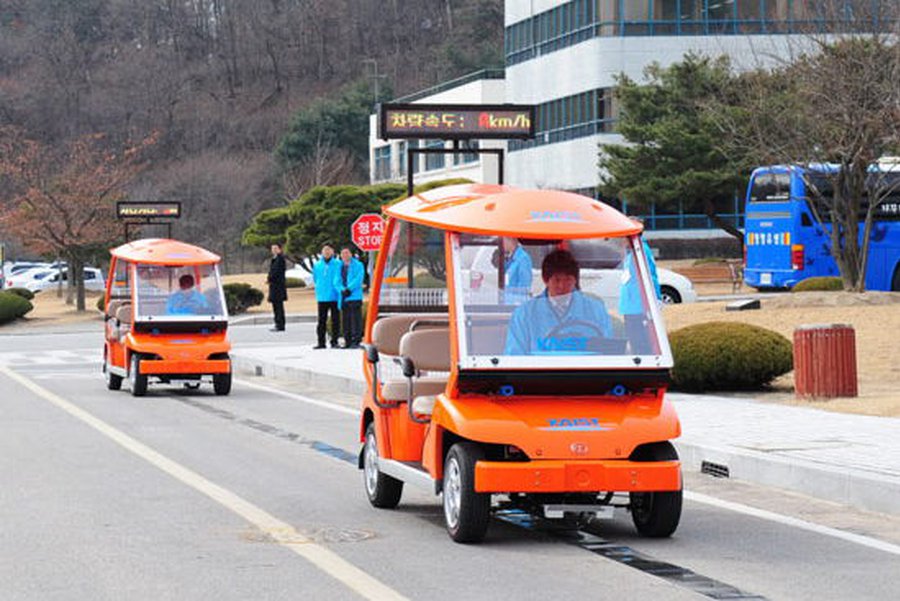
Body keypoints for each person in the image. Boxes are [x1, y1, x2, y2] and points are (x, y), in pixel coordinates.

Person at [504, 249, 612, 355]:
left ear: (575, 280)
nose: (562, 286)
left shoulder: (596, 310)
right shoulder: (524, 314)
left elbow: (609, 353)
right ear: (545, 280)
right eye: (557, 280)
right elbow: (513, 357)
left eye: (568, 280)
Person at [619, 220, 662, 354]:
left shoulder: (641, 250)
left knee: (641, 344)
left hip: (639, 307)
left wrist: (656, 299)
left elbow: (651, 276)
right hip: (632, 306)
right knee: (636, 343)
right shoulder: (632, 252)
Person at [334, 247, 364, 349]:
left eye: (347, 253)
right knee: (345, 320)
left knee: (356, 320)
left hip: (354, 296)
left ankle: (356, 341)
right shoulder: (339, 266)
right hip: (343, 297)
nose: (345, 255)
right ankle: (347, 341)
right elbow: (336, 280)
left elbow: (359, 279)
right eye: (343, 253)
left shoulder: (358, 265)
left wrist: (349, 289)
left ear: (351, 254)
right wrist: (342, 289)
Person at [312, 244, 341, 349]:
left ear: (333, 252)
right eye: (325, 250)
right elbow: (315, 279)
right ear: (322, 252)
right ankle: (321, 342)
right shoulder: (317, 265)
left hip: (335, 296)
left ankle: (334, 341)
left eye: (329, 250)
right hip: (322, 296)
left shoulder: (338, 264)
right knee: (321, 321)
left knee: (335, 320)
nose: (327, 252)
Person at [501, 237, 532, 304]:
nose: (501, 243)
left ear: (510, 240)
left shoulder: (523, 259)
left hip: (515, 305)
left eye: (502, 240)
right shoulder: (510, 258)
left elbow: (524, 287)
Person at [267, 243, 287, 332]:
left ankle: (280, 324)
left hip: (278, 286)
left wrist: (270, 278)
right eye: (272, 248)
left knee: (278, 306)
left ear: (280, 249)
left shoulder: (280, 259)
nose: (274, 250)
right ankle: (277, 323)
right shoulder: (274, 259)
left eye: (276, 248)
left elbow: (276, 272)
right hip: (274, 286)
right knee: (276, 306)